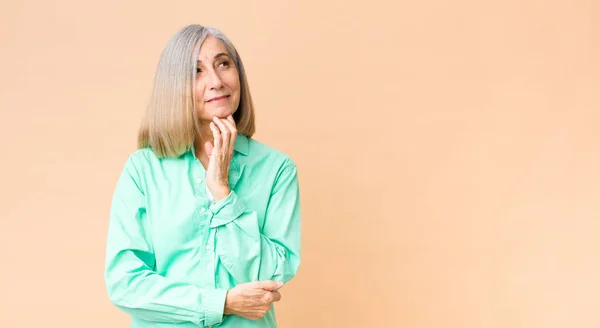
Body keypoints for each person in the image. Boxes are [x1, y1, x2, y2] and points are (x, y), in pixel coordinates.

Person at [104, 24, 301, 328]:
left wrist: (221, 191)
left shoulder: (276, 169)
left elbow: (271, 276)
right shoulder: (142, 170)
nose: (216, 81)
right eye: (196, 71)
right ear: (175, 86)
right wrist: (221, 303)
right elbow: (125, 284)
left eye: (224, 63)